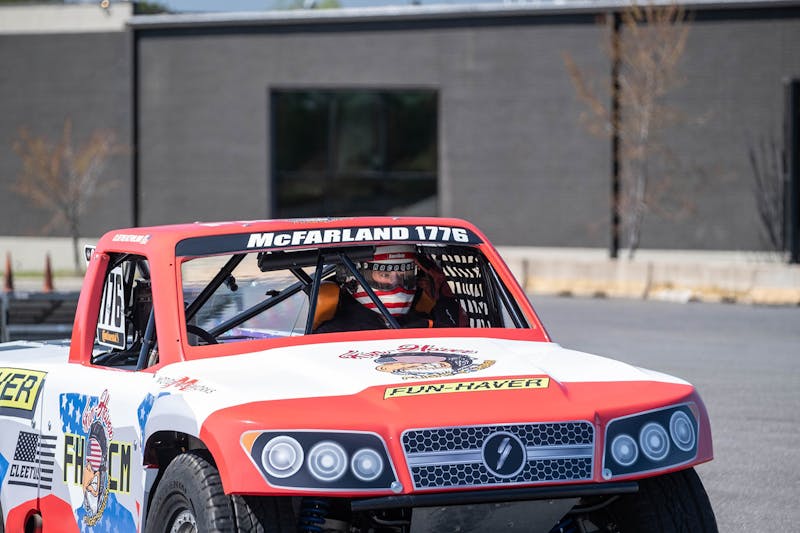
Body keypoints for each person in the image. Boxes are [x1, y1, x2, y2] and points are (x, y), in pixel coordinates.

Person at [312, 245, 467, 333]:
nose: (397, 283)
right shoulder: (333, 333)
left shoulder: (426, 322)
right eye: (385, 274)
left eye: (404, 273)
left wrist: (445, 301)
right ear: (351, 277)